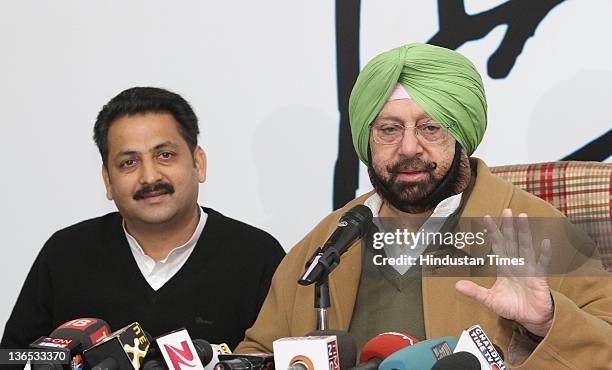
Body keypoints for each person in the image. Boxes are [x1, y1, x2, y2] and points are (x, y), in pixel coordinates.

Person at [235, 44, 612, 368]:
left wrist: (546, 323)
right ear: (367, 141)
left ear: (462, 135)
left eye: (430, 128)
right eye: (389, 130)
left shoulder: (539, 230)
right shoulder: (329, 241)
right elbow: (260, 352)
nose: (409, 148)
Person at [1, 87, 285, 351]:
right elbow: (13, 358)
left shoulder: (257, 256)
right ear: (107, 181)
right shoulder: (65, 254)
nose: (150, 177)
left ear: (198, 163)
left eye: (165, 155)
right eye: (129, 163)